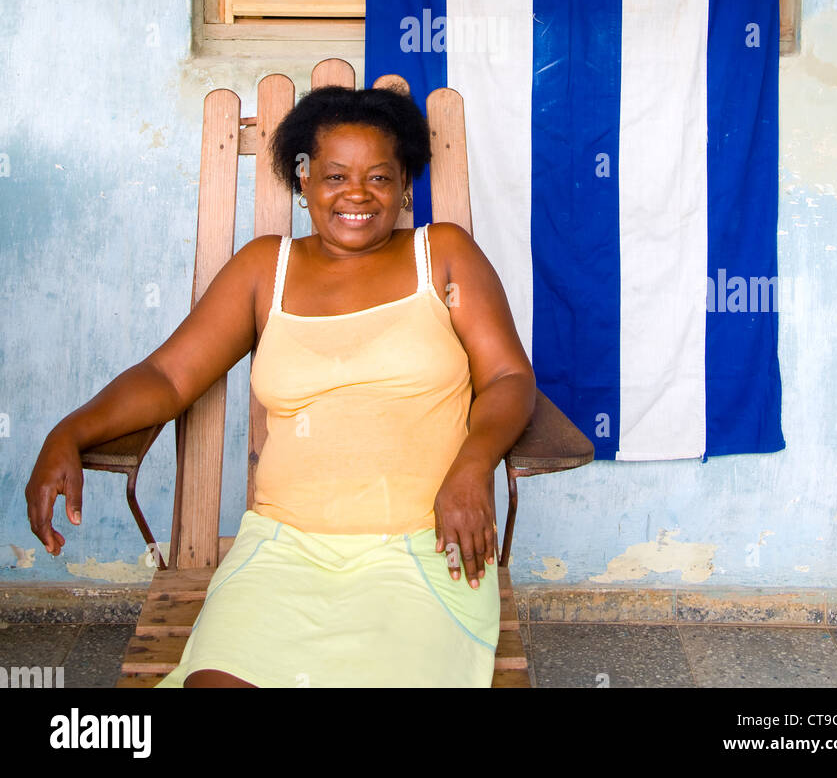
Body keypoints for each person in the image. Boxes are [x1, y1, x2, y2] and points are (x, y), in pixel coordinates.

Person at [25, 85, 536, 688]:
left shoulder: (443, 254)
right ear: (303, 183)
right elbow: (167, 376)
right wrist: (68, 432)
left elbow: (508, 377)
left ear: (405, 185)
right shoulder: (266, 270)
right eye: (335, 175)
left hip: (422, 551)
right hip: (283, 552)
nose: (356, 194)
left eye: (378, 177)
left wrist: (471, 468)